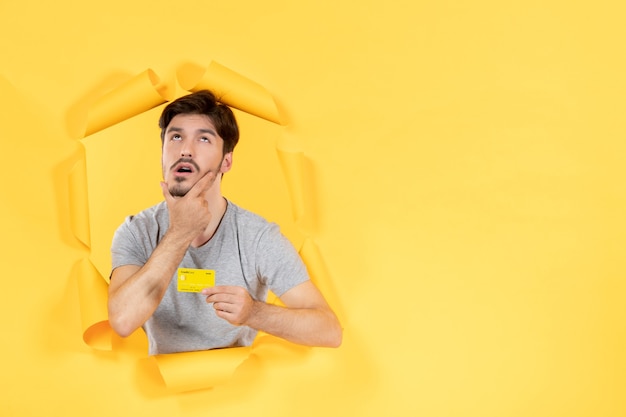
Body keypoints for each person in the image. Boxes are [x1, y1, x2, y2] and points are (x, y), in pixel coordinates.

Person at [107, 90, 342, 355]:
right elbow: (123, 321)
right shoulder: (136, 231)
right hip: (163, 388)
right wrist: (181, 232)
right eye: (176, 136)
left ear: (226, 161)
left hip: (236, 389)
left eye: (204, 139)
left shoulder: (257, 237)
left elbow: (329, 330)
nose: (185, 149)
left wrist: (254, 312)